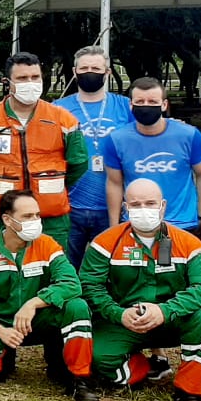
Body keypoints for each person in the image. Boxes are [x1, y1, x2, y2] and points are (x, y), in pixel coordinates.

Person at [80, 178, 201, 401]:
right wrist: (118, 314)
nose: (144, 210)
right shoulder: (105, 243)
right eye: (136, 204)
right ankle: (141, 368)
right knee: (95, 358)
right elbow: (89, 286)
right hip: (124, 321)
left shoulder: (188, 243)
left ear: (163, 206)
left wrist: (164, 310)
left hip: (174, 319)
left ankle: (191, 390)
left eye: (150, 203)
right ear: (125, 208)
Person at [0, 189, 98, 401]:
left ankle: (80, 378)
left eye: (37, 215)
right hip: (1, 322)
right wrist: (1, 331)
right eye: (27, 216)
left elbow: (72, 284)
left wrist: (34, 303)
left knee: (77, 306)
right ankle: (0, 360)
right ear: (7, 219)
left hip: (39, 320)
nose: (35, 222)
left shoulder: (47, 244)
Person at [0, 52, 88, 247]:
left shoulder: (63, 119)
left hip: (50, 219)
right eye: (22, 78)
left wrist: (53, 182)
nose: (30, 83)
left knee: (50, 271)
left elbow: (78, 162)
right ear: (7, 82)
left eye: (35, 77)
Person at [53, 45, 135, 268]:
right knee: (66, 268)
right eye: (85, 67)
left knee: (111, 268)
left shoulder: (126, 107)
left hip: (114, 206)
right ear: (74, 71)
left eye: (96, 68)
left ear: (107, 72)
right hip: (70, 206)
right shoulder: (57, 109)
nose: (90, 72)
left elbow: (148, 134)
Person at [104, 76, 201, 232]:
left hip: (183, 224)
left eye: (152, 102)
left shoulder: (189, 135)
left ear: (164, 105)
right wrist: (114, 228)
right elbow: (114, 183)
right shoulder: (116, 139)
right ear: (130, 105)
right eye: (140, 102)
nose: (146, 106)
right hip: (136, 224)